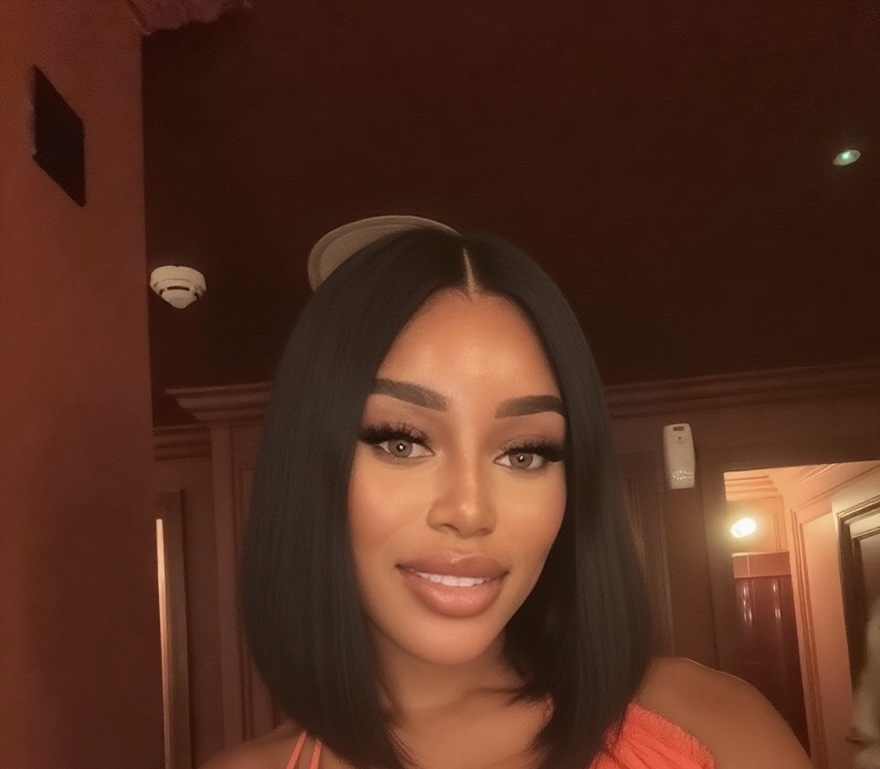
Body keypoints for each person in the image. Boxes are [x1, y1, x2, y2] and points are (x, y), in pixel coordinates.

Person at [204, 217, 812, 769]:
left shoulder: (710, 721)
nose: (470, 511)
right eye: (402, 442)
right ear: (310, 464)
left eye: (524, 453)